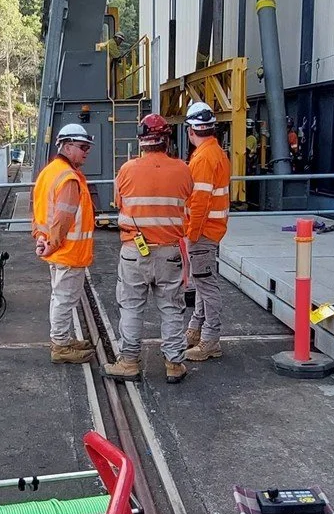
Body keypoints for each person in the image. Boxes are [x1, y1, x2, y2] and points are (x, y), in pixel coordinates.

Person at [103, 113, 194, 384]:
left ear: (141, 141)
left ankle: (129, 362)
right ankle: (174, 364)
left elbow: (119, 202)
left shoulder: (126, 170)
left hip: (134, 251)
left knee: (131, 307)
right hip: (169, 252)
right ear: (166, 140)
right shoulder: (183, 170)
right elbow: (187, 200)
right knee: (171, 307)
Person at [31, 122, 96, 363]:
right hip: (68, 251)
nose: (86, 152)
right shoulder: (68, 178)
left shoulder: (49, 172)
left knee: (59, 297)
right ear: (67, 147)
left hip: (56, 249)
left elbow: (39, 211)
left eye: (87, 147)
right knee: (64, 300)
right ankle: (60, 345)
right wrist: (53, 243)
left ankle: (63, 340)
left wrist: (40, 237)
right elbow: (63, 217)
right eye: (82, 147)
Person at [184, 101, 231, 361]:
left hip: (202, 232)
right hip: (211, 230)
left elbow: (199, 202)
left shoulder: (202, 158)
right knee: (202, 282)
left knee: (206, 285)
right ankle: (196, 330)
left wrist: (191, 234)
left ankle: (210, 340)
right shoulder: (216, 153)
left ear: (191, 131)